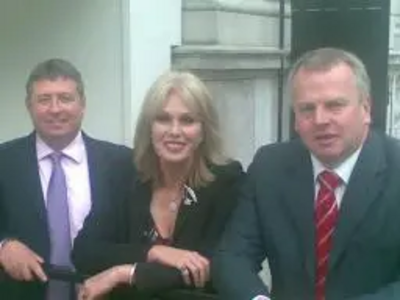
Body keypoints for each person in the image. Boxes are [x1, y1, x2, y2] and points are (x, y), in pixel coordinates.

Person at [212, 47, 400, 300]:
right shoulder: (270, 167)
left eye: (335, 105)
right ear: (295, 119)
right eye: (307, 109)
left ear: (366, 109)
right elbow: (233, 256)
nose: (320, 119)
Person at [71, 70, 244, 300]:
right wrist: (154, 252)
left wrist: (126, 273)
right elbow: (85, 251)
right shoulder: (122, 173)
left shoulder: (227, 181)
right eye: (163, 119)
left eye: (187, 120)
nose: (174, 131)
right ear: (149, 127)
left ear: (204, 131)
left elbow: (213, 266)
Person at [0, 58, 132, 300]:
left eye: (65, 98)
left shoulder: (122, 163)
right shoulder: (4, 161)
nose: (55, 108)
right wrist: (3, 245)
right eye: (44, 99)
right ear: (29, 106)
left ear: (83, 104)